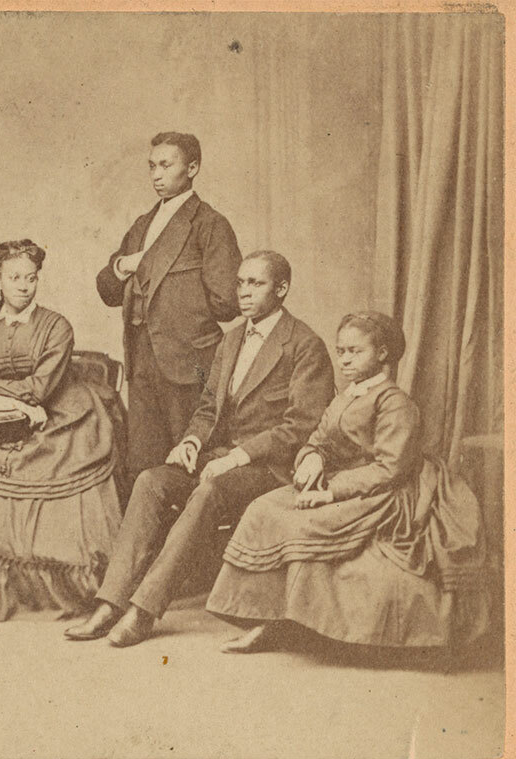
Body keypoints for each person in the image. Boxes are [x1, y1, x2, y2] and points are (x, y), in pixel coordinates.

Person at [66, 251, 334, 646]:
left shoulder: (305, 345)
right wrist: (191, 440)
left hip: (269, 467)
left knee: (209, 491)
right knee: (152, 480)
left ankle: (143, 610)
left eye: (256, 284)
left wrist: (239, 457)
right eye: (240, 283)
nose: (243, 293)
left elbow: (303, 425)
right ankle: (111, 602)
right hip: (221, 456)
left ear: (282, 289)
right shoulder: (232, 340)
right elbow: (209, 407)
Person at [207, 311, 491, 653]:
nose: (344, 360)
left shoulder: (394, 402)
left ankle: (285, 622)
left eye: (355, 352)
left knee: (303, 521)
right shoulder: (346, 397)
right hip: (339, 480)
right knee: (264, 508)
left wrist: (329, 493)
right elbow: (320, 438)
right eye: (341, 351)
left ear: (382, 354)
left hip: (384, 493)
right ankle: (263, 617)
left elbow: (390, 469)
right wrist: (313, 456)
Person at [0, 239, 123, 621]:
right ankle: (10, 588)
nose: (24, 285)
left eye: (31, 278)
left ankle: (72, 588)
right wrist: (8, 403)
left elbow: (43, 388)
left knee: (59, 469)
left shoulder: (56, 326)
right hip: (13, 418)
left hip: (63, 417)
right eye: (15, 278)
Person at [95, 132, 241, 485]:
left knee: (190, 461)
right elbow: (108, 289)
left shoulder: (210, 224)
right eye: (152, 166)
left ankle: (189, 541)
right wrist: (122, 266)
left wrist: (182, 310)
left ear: (192, 168)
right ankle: (149, 541)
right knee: (143, 462)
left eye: (166, 165)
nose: (156, 175)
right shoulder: (142, 225)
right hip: (142, 359)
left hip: (191, 362)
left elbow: (228, 302)